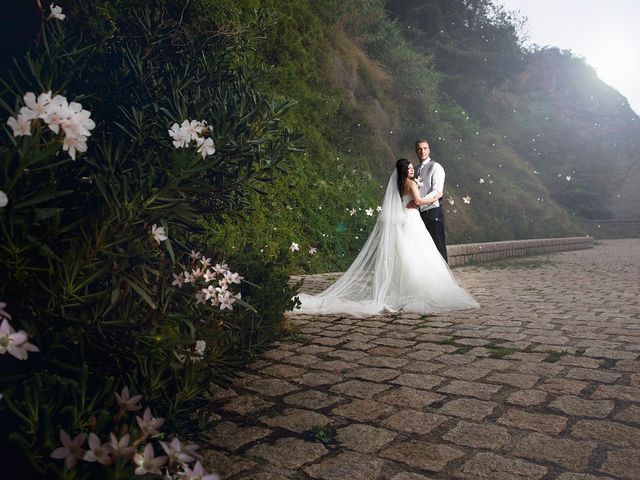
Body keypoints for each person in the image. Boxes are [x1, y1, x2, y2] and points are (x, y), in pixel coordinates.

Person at [295, 159, 479, 316]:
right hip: (411, 222)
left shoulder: (398, 185)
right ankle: (418, 288)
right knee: (419, 254)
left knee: (406, 255)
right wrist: (436, 196)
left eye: (412, 168)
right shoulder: (411, 183)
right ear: (404, 171)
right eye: (409, 168)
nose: (412, 170)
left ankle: (403, 288)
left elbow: (406, 202)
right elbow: (419, 201)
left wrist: (415, 201)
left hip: (403, 221)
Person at [410, 139, 448, 263]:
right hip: (419, 213)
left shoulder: (435, 167)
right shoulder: (414, 170)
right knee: (424, 249)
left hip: (433, 211)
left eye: (425, 148)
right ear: (416, 151)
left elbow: (437, 191)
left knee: (438, 246)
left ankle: (444, 279)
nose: (422, 151)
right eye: (419, 149)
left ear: (429, 150)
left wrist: (419, 201)